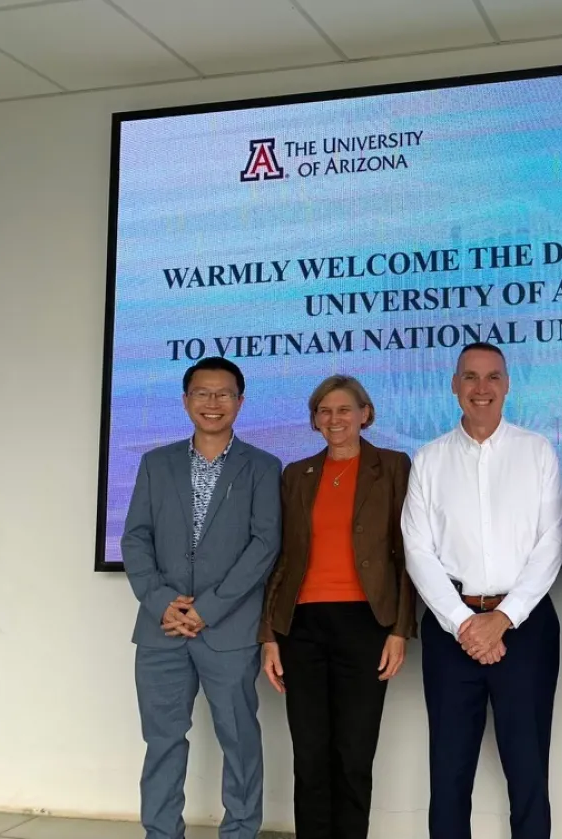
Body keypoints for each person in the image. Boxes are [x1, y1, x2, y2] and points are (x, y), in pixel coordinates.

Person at [402, 342, 562, 839]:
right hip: (453, 633)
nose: (481, 388)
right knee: (449, 772)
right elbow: (418, 552)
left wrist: (504, 617)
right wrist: (464, 623)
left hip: (527, 629)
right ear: (454, 385)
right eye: (470, 377)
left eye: (492, 377)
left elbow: (551, 543)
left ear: (507, 384)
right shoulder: (429, 459)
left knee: (529, 770)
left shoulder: (537, 451)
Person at [121, 356, 281, 839]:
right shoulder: (156, 462)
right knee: (163, 740)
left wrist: (207, 609)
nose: (213, 403)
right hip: (161, 629)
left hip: (228, 631)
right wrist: (161, 601)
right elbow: (135, 539)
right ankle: (161, 832)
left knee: (239, 739)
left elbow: (264, 545)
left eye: (224, 394)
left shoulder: (262, 466)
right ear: (186, 400)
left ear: (240, 402)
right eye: (202, 393)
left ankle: (240, 831)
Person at [258, 375, 415, 839]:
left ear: (365, 414)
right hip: (301, 625)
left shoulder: (392, 467)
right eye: (324, 411)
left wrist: (400, 629)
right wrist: (269, 635)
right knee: (309, 754)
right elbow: (282, 558)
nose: (335, 419)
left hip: (366, 625)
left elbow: (407, 554)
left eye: (345, 409)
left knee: (353, 753)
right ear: (314, 420)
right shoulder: (296, 474)